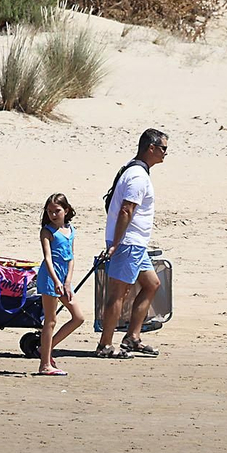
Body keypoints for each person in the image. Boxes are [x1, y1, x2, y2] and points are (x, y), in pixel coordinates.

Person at [96, 128, 168, 358]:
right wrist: (116, 244)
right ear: (151, 148)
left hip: (135, 243)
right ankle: (105, 344)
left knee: (152, 284)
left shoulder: (137, 171)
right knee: (119, 293)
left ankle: (132, 337)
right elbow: (127, 209)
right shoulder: (137, 176)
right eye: (163, 148)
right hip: (128, 242)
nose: (166, 153)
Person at [35, 192, 84, 376]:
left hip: (64, 278)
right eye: (50, 211)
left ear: (66, 210)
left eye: (57, 211)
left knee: (78, 317)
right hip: (50, 276)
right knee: (51, 319)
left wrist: (67, 281)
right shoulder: (47, 231)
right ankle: (44, 364)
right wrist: (56, 281)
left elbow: (71, 257)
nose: (53, 215)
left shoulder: (70, 230)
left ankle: (45, 349)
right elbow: (47, 258)